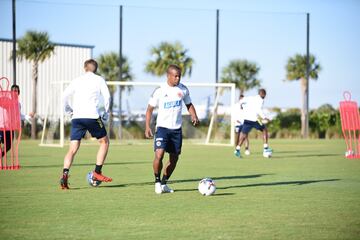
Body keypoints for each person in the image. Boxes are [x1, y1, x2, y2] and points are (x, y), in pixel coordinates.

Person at [145, 64, 199, 194]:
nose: (178, 78)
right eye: (175, 76)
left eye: (179, 76)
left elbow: (189, 104)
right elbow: (150, 109)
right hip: (162, 128)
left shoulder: (183, 89)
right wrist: (147, 126)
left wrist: (194, 114)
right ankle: (157, 181)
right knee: (159, 154)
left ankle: (164, 183)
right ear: (168, 76)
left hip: (176, 130)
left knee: (174, 159)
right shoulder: (159, 90)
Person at [60, 59, 112, 190]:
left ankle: (65, 173)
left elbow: (64, 96)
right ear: (96, 69)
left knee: (72, 149)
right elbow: (108, 97)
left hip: (77, 117)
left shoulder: (77, 80)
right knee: (104, 142)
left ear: (85, 68)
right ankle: (97, 172)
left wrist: (68, 110)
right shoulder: (99, 80)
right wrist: (106, 112)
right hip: (92, 116)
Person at [236, 89, 272, 158]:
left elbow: (241, 100)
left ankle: (237, 150)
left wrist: (241, 105)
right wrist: (264, 117)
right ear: (262, 94)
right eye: (264, 94)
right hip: (254, 119)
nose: (264, 96)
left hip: (247, 119)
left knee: (243, 135)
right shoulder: (261, 100)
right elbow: (258, 110)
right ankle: (265, 148)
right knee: (264, 130)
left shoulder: (251, 98)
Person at [0, 85, 33, 158]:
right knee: (1, 141)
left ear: (18, 93)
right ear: (10, 93)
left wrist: (28, 116)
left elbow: (18, 115)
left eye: (16, 91)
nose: (15, 92)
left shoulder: (18, 104)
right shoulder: (7, 100)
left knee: (8, 146)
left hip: (10, 128)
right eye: (13, 91)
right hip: (2, 127)